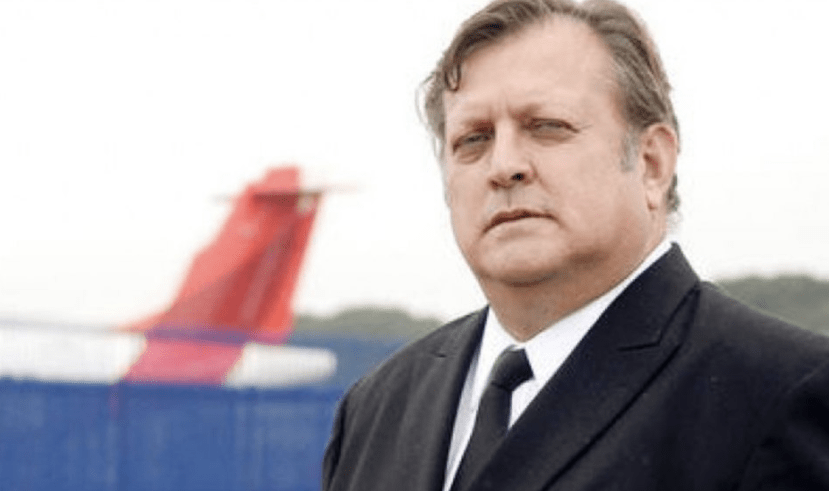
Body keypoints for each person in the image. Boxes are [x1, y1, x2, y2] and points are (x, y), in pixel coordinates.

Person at [322, 0, 829, 489]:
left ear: (652, 164)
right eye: (473, 139)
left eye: (547, 127)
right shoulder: (374, 409)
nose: (504, 165)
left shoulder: (781, 393)